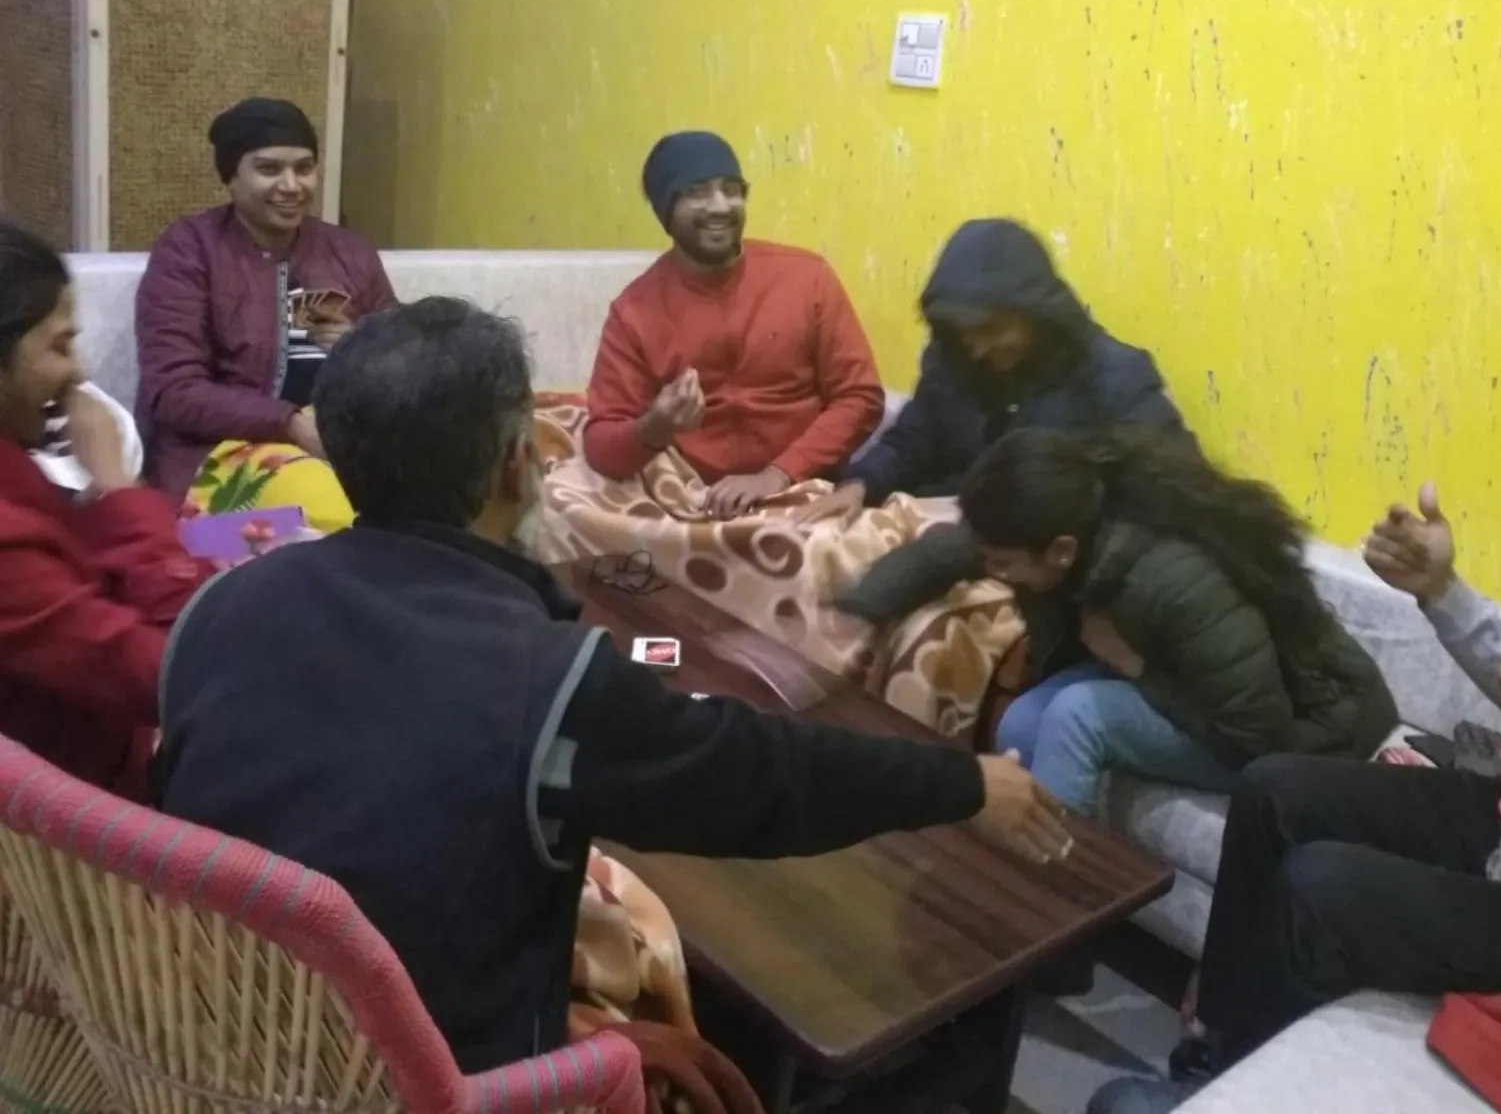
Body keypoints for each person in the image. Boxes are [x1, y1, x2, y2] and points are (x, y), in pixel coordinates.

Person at [153, 296, 1070, 1074]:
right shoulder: (554, 683)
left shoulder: (218, 608)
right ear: (521, 460)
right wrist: (965, 782)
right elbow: (763, 777)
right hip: (436, 1077)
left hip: (220, 1042)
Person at [1095, 486, 1501, 1112]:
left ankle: (1218, 1093)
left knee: (1321, 888)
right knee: (1273, 789)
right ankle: (1214, 1047)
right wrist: (1444, 595)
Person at [948, 426, 1397, 814]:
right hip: (1191, 681)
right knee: (1021, 721)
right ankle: (1017, 878)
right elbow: (966, 555)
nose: (993, 573)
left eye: (1002, 563)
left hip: (1316, 732)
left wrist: (1135, 669)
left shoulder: (1175, 582)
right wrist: (875, 605)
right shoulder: (1073, 524)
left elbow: (1258, 739)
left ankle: (1059, 901)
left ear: (1061, 551)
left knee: (1078, 715)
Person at [806, 218, 1190, 630]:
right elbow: (915, 436)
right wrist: (861, 483)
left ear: (1036, 315)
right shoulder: (953, 358)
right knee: (811, 546)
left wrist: (976, 541)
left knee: (944, 624)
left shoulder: (1113, 377)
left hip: (1043, 555)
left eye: (990, 330)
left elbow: (1168, 487)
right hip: (952, 516)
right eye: (963, 334)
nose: (977, 347)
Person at [0, 220, 211, 800]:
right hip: (85, 836)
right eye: (60, 346)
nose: (81, 372)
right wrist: (118, 487)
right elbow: (176, 677)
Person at [582, 131, 884, 518]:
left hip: (805, 489)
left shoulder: (807, 277)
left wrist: (777, 474)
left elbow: (861, 397)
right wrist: (653, 427)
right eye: (697, 192)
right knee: (568, 507)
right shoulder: (634, 311)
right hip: (692, 502)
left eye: (732, 190)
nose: (720, 206)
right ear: (665, 209)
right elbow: (601, 445)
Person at [135, 96, 396, 501]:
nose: (291, 186)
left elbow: (407, 367)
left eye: (304, 168)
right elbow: (174, 391)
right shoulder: (190, 251)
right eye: (268, 169)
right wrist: (289, 424)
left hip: (335, 444)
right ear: (231, 177)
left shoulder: (347, 252)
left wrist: (359, 346)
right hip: (215, 456)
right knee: (320, 512)